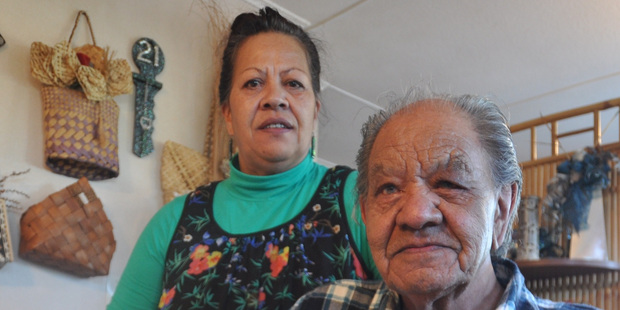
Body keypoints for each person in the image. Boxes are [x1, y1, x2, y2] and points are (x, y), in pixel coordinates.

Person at [107, 7, 379, 310]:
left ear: (314, 111)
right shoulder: (172, 224)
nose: (275, 98)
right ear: (228, 116)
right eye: (253, 83)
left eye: (294, 83)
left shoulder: (359, 199)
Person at [293, 87, 598, 309]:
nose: (415, 214)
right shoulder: (322, 305)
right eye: (388, 188)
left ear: (502, 210)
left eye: (449, 184)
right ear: (363, 211)